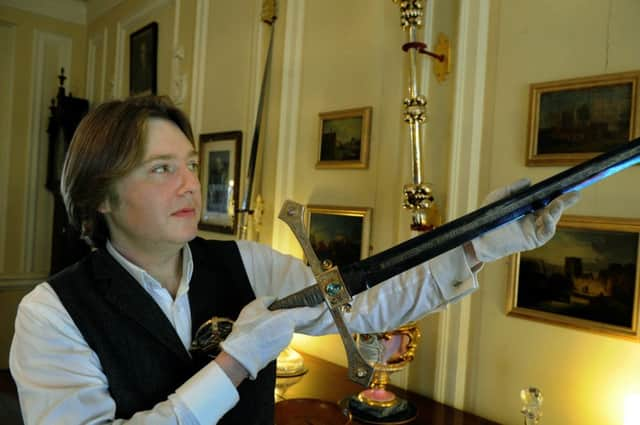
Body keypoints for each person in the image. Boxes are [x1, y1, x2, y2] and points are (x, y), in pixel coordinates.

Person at [9, 96, 579, 425]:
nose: (189, 184)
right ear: (100, 196)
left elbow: (363, 303)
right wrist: (234, 365)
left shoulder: (248, 264)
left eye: (189, 163)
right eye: (161, 168)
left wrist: (482, 242)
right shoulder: (51, 314)